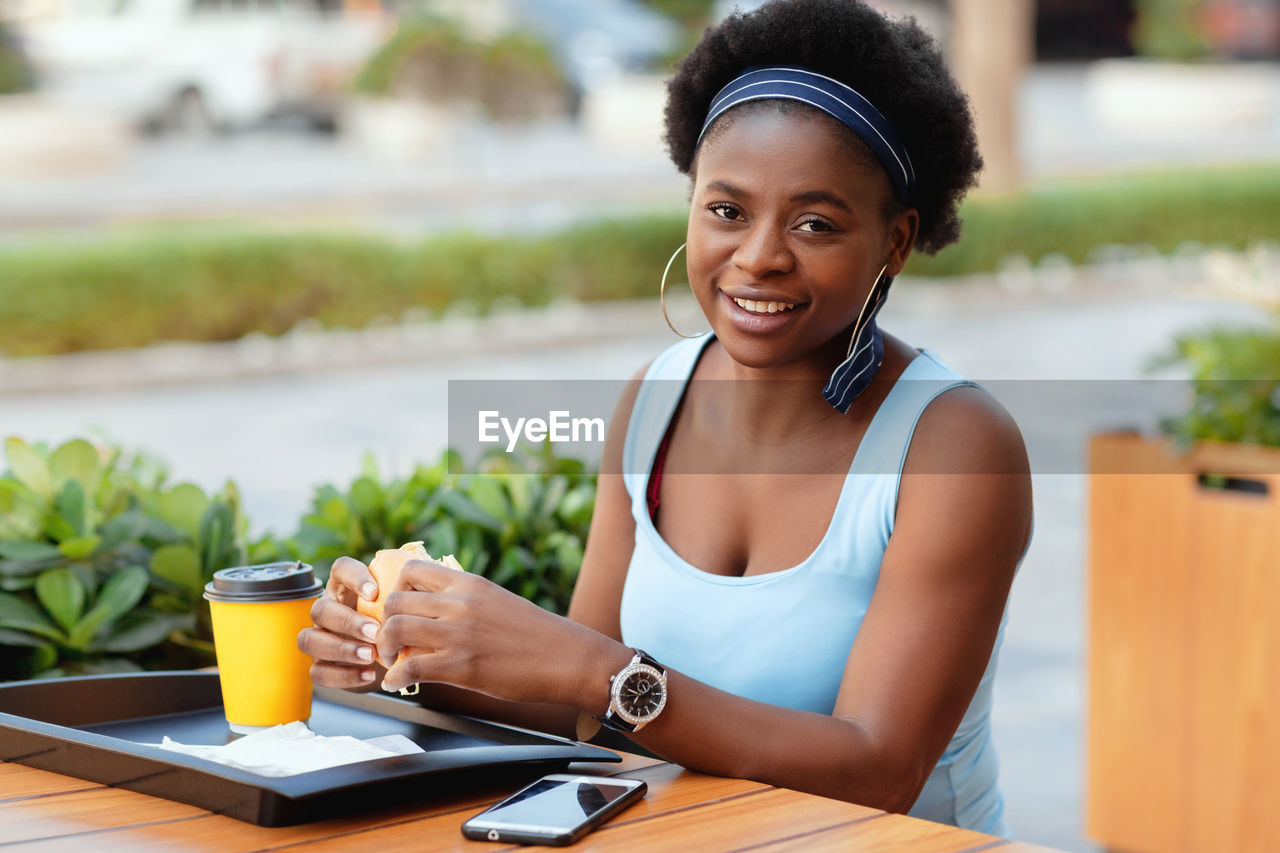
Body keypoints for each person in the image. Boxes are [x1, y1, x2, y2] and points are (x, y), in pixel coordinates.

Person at [298, 0, 1032, 837]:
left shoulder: (956, 445)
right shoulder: (656, 396)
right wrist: (407, 653)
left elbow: (879, 769)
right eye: (727, 210)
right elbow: (581, 705)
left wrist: (602, 670)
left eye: (815, 222)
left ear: (895, 242)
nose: (759, 255)